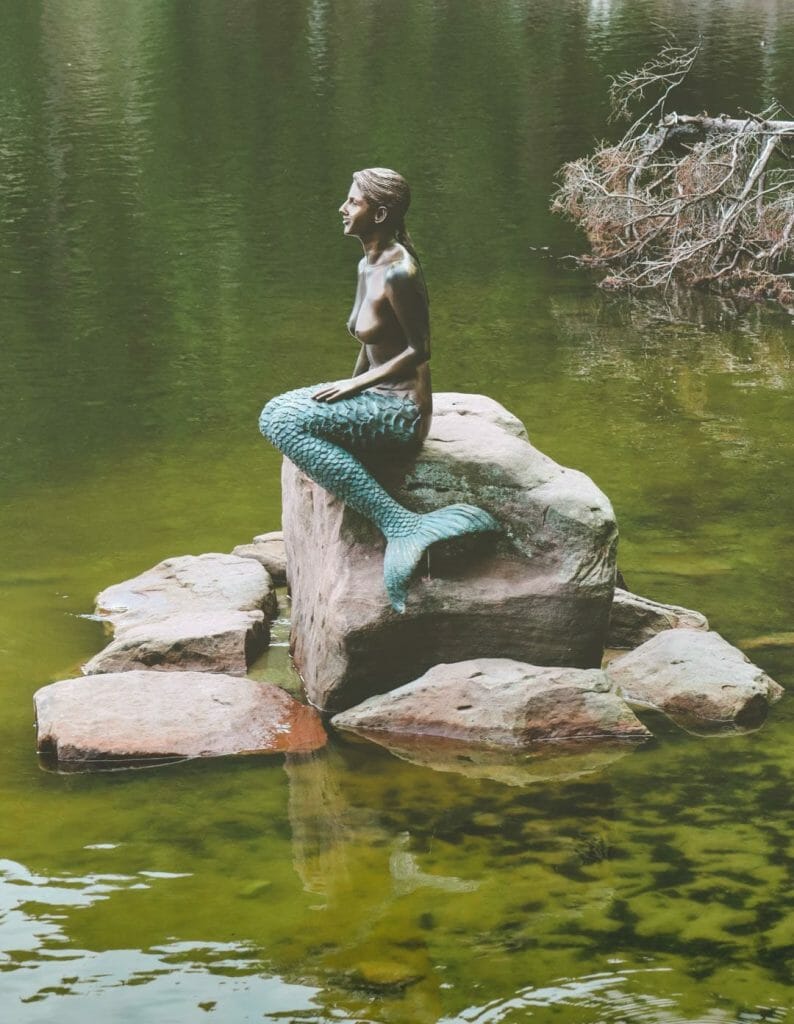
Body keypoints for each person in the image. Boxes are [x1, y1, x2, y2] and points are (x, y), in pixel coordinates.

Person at [259, 168, 497, 613]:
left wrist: (356, 385)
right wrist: (346, 389)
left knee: (281, 419)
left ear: (380, 212)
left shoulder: (400, 272)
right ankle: (398, 523)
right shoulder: (365, 264)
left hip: (401, 410)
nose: (343, 208)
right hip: (372, 396)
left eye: (354, 202)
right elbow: (369, 344)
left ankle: (400, 524)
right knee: (279, 412)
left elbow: (419, 349)